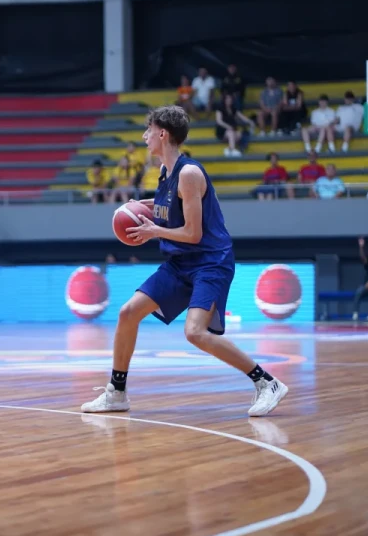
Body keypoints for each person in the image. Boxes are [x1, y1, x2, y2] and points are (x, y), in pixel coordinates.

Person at [81, 105, 288, 417]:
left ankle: (267, 382)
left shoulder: (189, 173)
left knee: (195, 332)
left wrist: (153, 230)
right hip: (179, 264)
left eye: (148, 130)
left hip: (209, 262)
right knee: (128, 313)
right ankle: (116, 393)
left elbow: (192, 233)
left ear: (163, 134)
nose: (144, 136)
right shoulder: (166, 173)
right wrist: (141, 205)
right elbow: (169, 203)